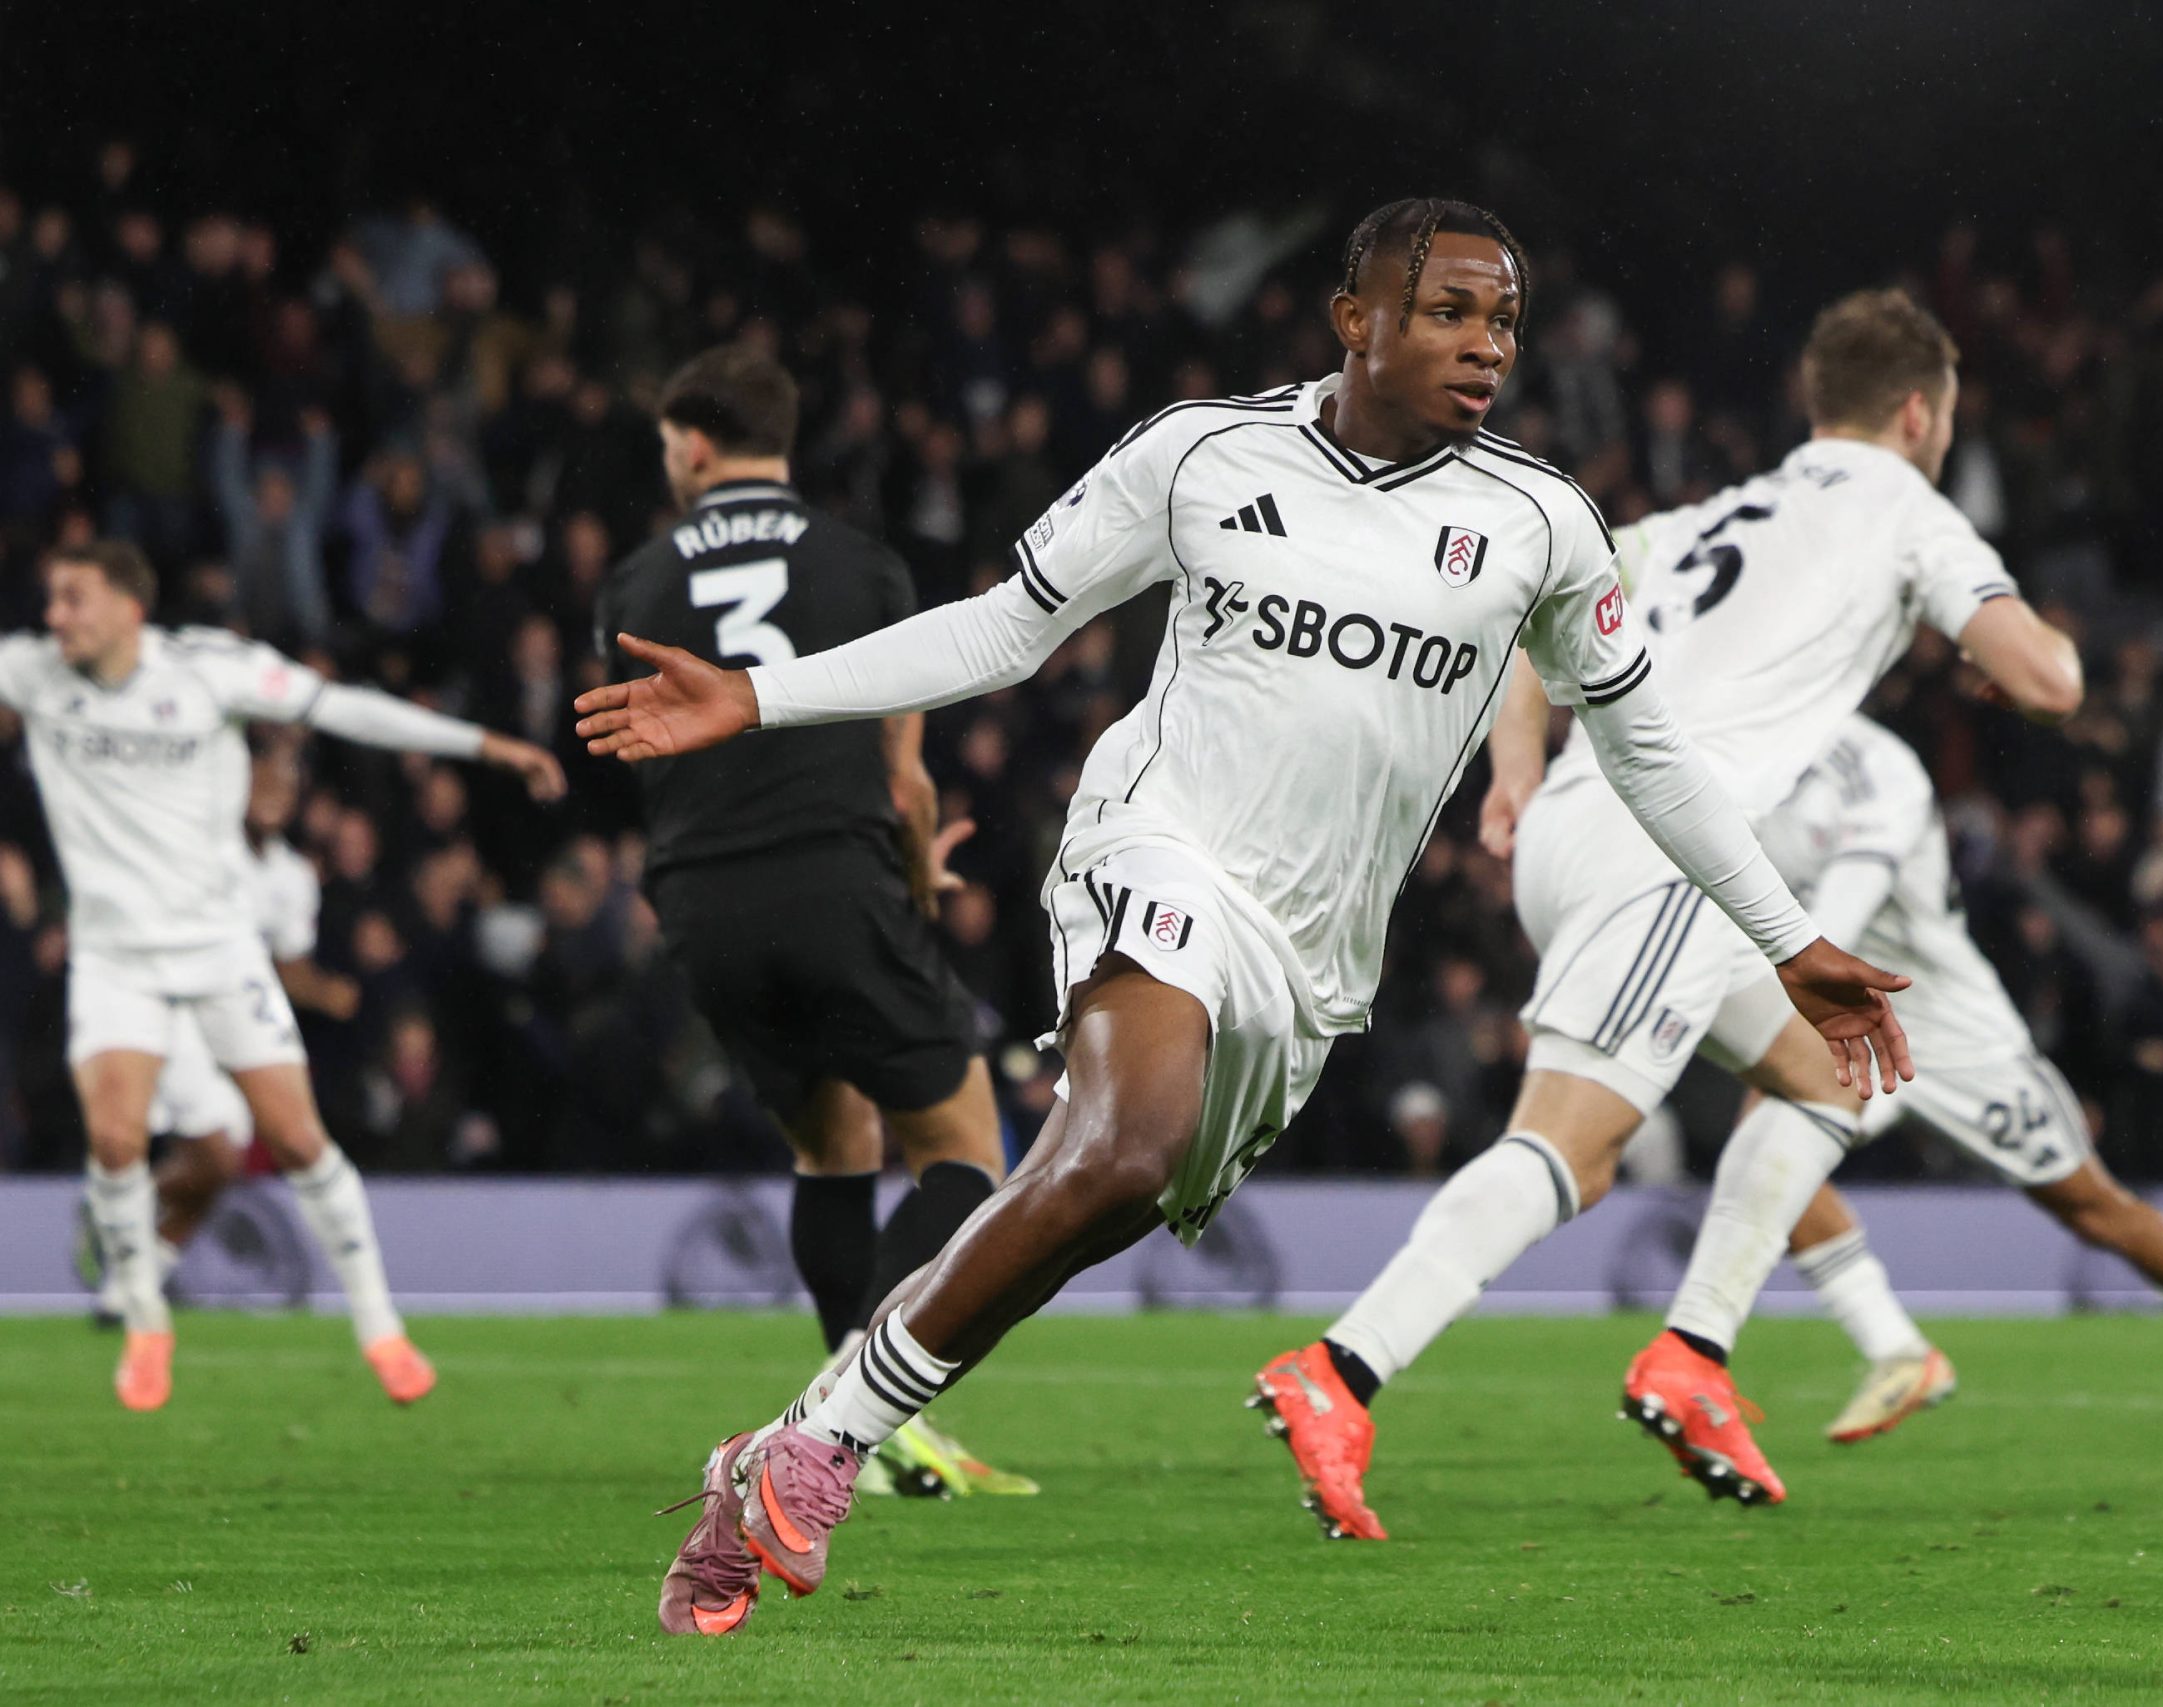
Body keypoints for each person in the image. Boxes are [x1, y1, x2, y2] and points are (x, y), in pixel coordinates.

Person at [578, 198, 1910, 1636]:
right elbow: (1001, 626)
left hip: (1313, 953)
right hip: (1159, 844)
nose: (1486, 344)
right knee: (1123, 1138)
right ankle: (826, 1454)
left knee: (1111, 1189)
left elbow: (1647, 747)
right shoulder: (1199, 455)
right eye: (1451, 310)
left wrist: (1786, 935)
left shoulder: (1541, 525)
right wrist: (761, 693)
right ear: (1359, 319)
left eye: (1504, 320)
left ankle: (798, 1435)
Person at [1260, 288, 2081, 1536]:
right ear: (1920, 413)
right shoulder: (1913, 513)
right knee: (1570, 1148)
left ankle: (1693, 1356)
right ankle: (1341, 1369)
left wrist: (1518, 769)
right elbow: (2045, 681)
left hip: (1598, 832)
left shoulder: (1710, 518)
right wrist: (2010, 640)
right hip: (1667, 853)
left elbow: (1547, 608)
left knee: (1836, 1072)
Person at [593, 344, 1028, 1535]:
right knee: (968, 1153)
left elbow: (633, 760)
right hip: (834, 877)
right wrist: (916, 882)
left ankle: (861, 1434)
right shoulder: (859, 563)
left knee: (833, 1144)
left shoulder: (632, 582)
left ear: (690, 444)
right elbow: (904, 780)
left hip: (702, 899)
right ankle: (841, 1418)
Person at [0, 539, 563, 1410]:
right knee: (114, 1142)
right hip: (115, 957)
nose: (55, 616)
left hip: (219, 948)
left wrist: (485, 745)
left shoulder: (208, 671)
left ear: (127, 603)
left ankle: (381, 1325)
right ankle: (146, 1319)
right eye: (52, 599)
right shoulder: (32, 673)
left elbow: (347, 709)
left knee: (297, 1140)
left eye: (73, 598)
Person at [1753, 714, 2163, 1451]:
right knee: (1767, 1149)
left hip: (1953, 1032)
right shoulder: (1737, 758)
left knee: (2091, 1207)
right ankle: (1894, 1347)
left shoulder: (1867, 763)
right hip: (1847, 1022)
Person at [80, 740, 358, 1319]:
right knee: (216, 1153)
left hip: (236, 1031)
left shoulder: (293, 876)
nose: (274, 793)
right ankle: (121, 1224)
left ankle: (131, 1276)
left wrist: (319, 989)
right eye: (264, 778)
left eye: (285, 782)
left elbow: (288, 964)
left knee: (218, 1163)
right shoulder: (202, 847)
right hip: (176, 1011)